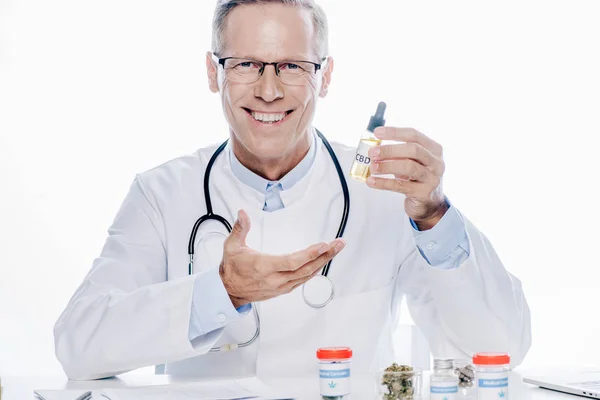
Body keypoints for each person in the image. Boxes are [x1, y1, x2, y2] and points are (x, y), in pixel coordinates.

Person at [53, 0, 531, 381]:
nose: (268, 90)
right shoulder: (160, 194)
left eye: (292, 66)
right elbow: (79, 345)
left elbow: (496, 351)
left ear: (324, 77)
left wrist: (434, 217)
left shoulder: (387, 193)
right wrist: (219, 292)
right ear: (212, 72)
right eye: (245, 64)